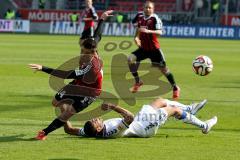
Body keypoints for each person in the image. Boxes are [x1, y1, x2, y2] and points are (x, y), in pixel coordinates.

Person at [28, 10, 113, 140]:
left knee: (67, 113)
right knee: (55, 102)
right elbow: (98, 36)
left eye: (84, 51)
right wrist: (102, 19)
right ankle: (66, 124)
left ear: (91, 52)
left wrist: (42, 68)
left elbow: (66, 75)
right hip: (77, 84)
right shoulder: (93, 48)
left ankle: (44, 132)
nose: (82, 53)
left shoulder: (91, 67)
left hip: (89, 93)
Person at [64, 98, 217, 138]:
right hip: (144, 127)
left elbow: (70, 130)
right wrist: (113, 107)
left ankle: (190, 110)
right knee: (173, 110)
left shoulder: (89, 131)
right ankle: (204, 126)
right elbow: (129, 117)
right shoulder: (111, 130)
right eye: (95, 121)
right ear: (98, 128)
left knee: (160, 101)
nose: (96, 118)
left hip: (140, 120)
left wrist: (63, 114)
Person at [128, 1, 180, 100]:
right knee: (130, 59)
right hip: (143, 49)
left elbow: (160, 32)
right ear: (143, 8)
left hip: (154, 50)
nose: (148, 9)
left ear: (153, 9)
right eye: (146, 7)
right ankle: (138, 81)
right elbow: (138, 28)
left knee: (163, 70)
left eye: (150, 8)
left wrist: (149, 31)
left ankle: (175, 87)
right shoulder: (139, 16)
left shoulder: (155, 18)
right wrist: (136, 37)